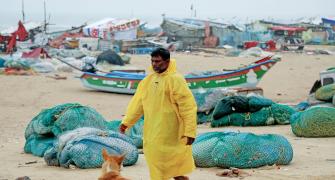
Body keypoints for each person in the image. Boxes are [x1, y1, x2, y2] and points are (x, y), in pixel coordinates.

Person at [119, 48, 197, 180]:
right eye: (152, 61)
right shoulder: (147, 81)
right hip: (152, 130)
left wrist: (190, 131)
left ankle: (179, 177)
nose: (154, 64)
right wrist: (126, 122)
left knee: (171, 161)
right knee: (155, 160)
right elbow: (137, 104)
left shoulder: (176, 80)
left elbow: (188, 107)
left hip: (171, 130)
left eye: (158, 61)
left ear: (167, 61)